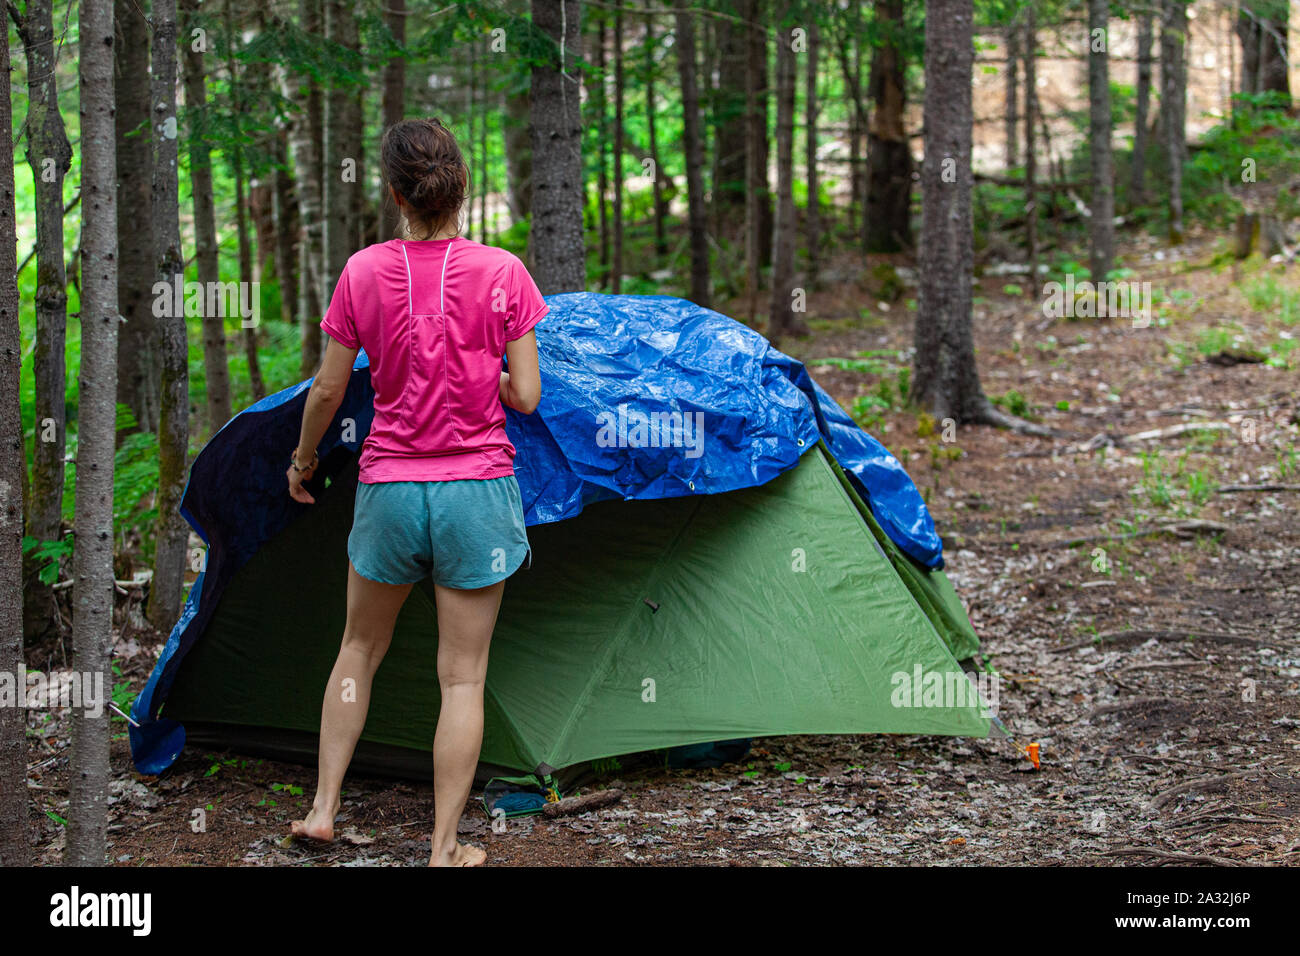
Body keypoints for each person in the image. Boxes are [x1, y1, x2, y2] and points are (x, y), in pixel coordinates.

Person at [285, 118, 546, 867]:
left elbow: (330, 387)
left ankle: (324, 809)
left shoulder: (363, 271)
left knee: (358, 649)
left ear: (396, 192)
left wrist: (302, 463)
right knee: (461, 676)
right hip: (476, 493)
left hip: (391, 488)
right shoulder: (504, 273)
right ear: (459, 188)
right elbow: (526, 396)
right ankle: (443, 848)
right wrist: (480, 374)